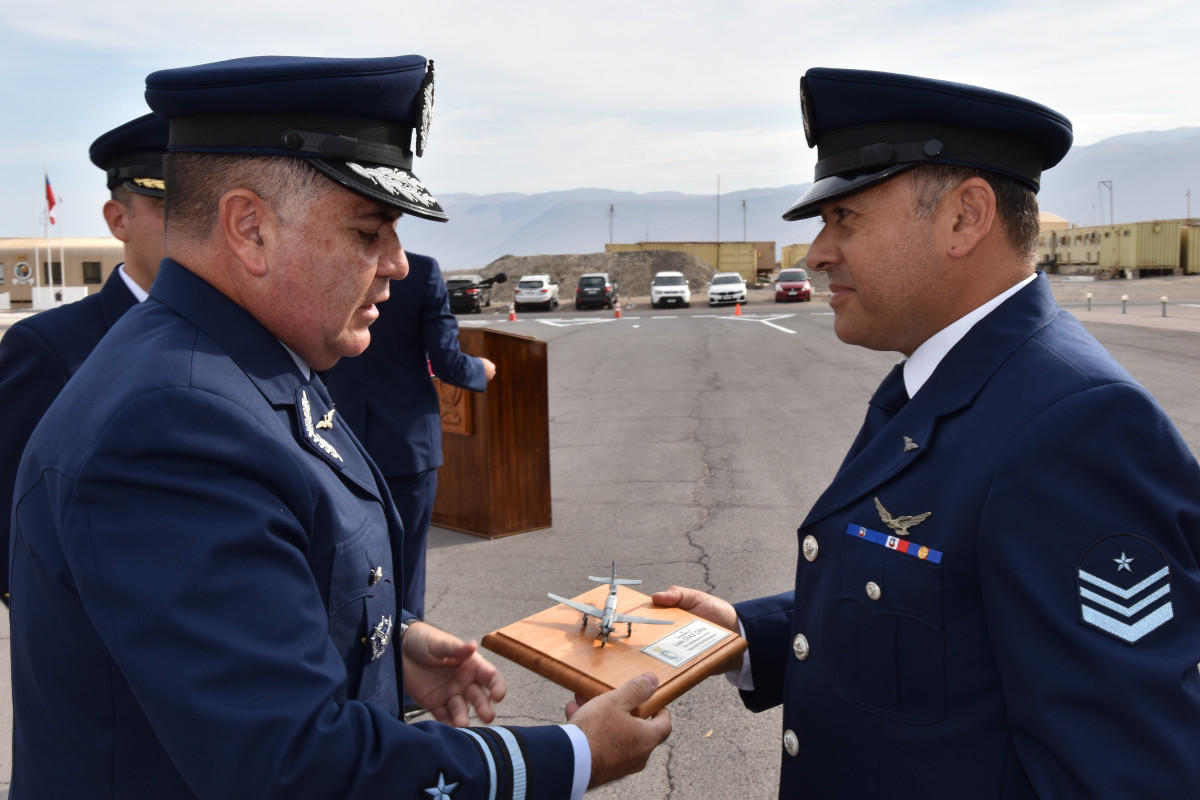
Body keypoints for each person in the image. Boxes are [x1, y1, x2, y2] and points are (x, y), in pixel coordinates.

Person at [9, 55, 669, 798]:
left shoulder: (240, 363)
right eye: (368, 231)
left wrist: (380, 652)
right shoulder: (173, 425)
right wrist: (574, 754)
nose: (395, 263)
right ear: (249, 228)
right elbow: (296, 768)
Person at [654, 68, 1200, 797]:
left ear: (964, 219)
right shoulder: (946, 379)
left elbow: (1123, 768)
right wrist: (746, 635)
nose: (817, 253)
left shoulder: (1076, 427)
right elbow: (938, 600)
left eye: (844, 219)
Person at [0, 112, 168, 607]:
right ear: (120, 220)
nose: (192, 227)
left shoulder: (241, 334)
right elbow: (8, 510)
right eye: (168, 207)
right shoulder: (51, 346)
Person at [322, 251, 496, 629]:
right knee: (405, 571)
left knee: (345, 568)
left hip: (337, 440)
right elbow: (447, 361)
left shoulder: (329, 262)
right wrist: (480, 369)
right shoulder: (421, 272)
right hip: (406, 446)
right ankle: (406, 673)